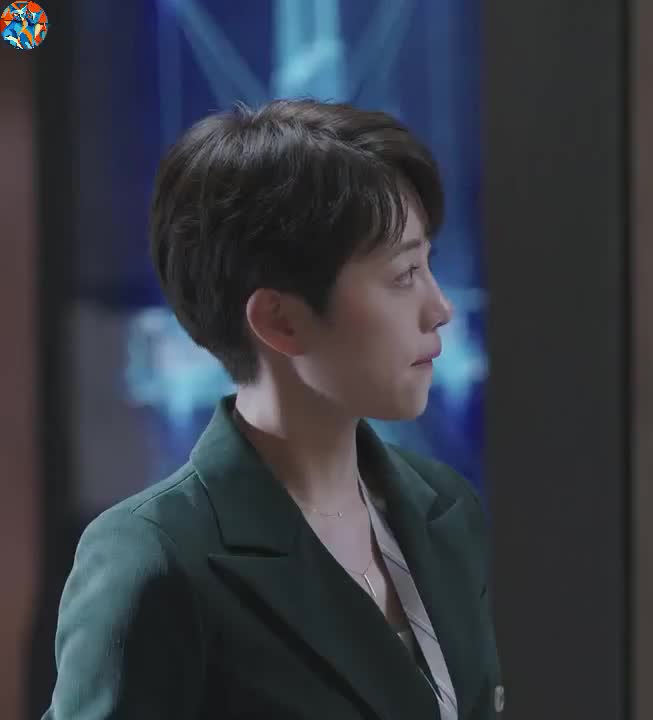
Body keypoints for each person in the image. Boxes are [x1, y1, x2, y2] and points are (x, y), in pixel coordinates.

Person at [45, 99, 503, 719]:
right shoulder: (156, 559)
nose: (440, 308)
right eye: (403, 275)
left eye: (429, 266)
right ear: (279, 319)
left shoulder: (444, 509)